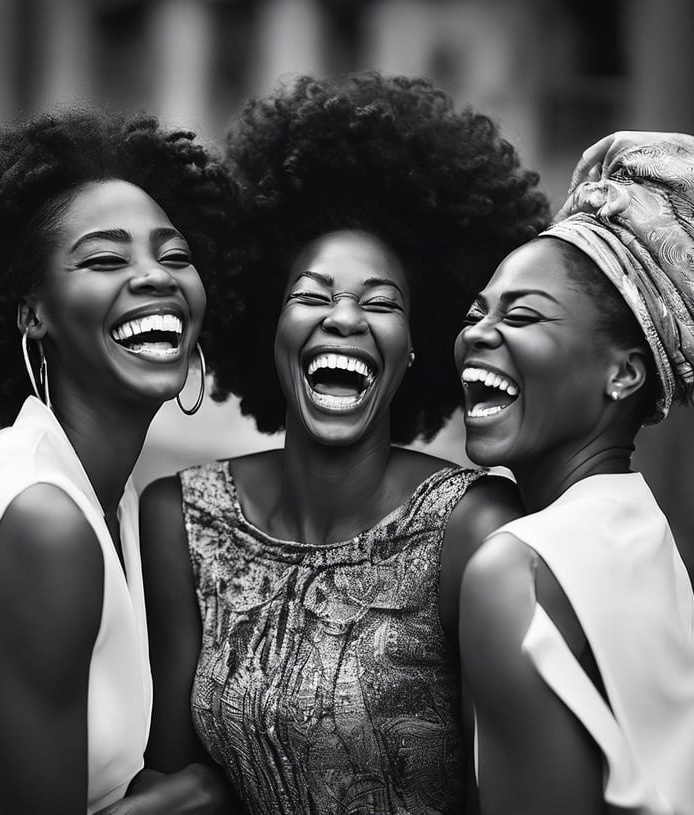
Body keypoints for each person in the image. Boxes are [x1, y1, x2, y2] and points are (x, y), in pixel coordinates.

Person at [140, 72, 550, 815]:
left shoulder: (474, 523)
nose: (345, 318)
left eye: (380, 302)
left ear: (416, 346)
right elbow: (174, 773)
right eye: (312, 295)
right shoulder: (179, 515)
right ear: (272, 329)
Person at [0, 108, 237, 815]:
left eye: (176, 255)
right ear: (33, 312)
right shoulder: (42, 517)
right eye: (105, 259)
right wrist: (205, 794)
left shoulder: (105, 498)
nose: (154, 277)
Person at [455, 131, 694, 815]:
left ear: (623, 373)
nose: (476, 333)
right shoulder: (646, 538)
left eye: (522, 315)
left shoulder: (516, 572)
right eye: (477, 312)